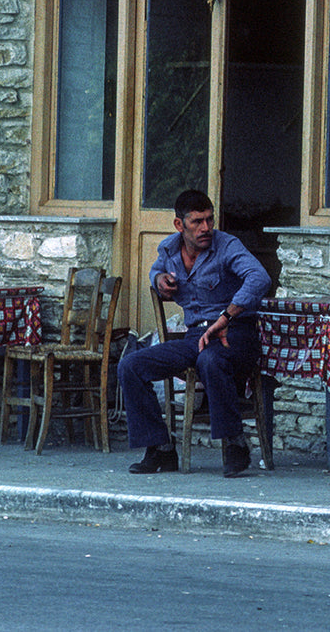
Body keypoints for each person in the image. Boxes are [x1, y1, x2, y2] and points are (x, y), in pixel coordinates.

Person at [118, 189, 271, 478]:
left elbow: (259, 277)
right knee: (131, 365)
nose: (206, 228)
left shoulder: (227, 246)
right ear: (179, 225)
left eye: (210, 220)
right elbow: (155, 271)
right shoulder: (169, 250)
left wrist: (227, 316)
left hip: (235, 334)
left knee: (210, 361)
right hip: (195, 337)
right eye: (197, 222)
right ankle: (160, 448)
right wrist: (159, 280)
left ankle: (235, 443)